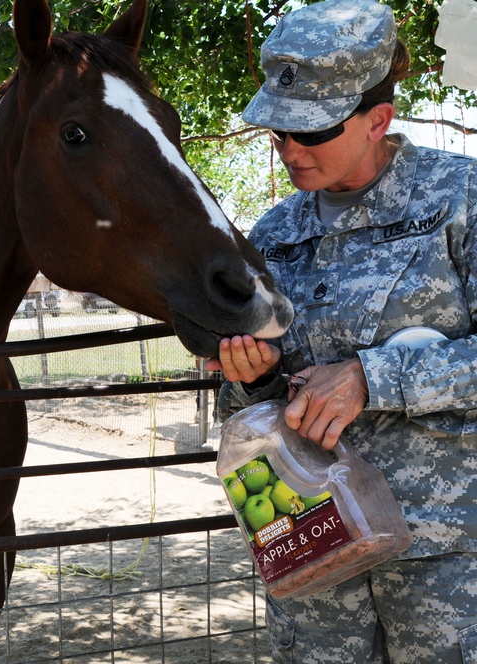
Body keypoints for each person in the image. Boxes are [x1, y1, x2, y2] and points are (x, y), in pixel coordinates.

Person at [205, 0, 477, 661]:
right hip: (312, 548)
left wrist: (369, 379)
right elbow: (248, 410)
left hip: (444, 554)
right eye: (278, 134)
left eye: (313, 131)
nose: (290, 150)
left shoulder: (459, 200)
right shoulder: (274, 235)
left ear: (378, 119)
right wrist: (252, 379)